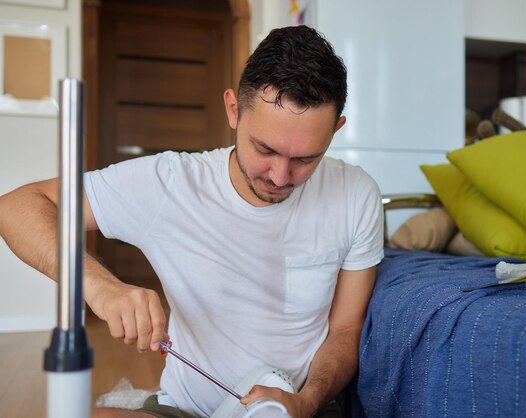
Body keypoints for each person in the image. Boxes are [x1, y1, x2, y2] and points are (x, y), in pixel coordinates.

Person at [0, 25, 383, 418]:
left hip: (297, 409)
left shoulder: (356, 195)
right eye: (265, 149)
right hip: (187, 409)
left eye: (305, 158)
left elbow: (345, 331)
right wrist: (101, 288)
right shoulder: (171, 183)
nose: (280, 176)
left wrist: (308, 400)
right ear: (233, 110)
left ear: (336, 130)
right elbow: (16, 206)